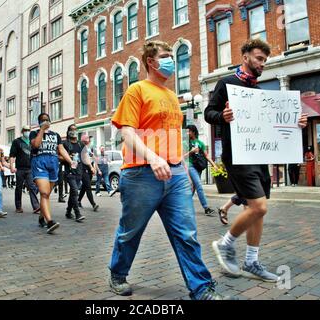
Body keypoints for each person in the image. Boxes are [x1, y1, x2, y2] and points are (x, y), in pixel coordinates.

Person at [108, 40, 231, 300]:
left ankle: (201, 289)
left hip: (175, 174)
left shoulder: (173, 96)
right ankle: (117, 273)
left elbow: (174, 137)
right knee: (130, 232)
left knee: (186, 233)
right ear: (151, 62)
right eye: (165, 56)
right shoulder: (137, 90)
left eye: (171, 56)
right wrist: (153, 158)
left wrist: (181, 166)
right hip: (141, 174)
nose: (170, 61)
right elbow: (127, 133)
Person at [205, 39, 308, 282]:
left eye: (265, 60)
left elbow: (272, 126)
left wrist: (296, 124)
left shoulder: (259, 92)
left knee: (256, 212)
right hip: (238, 156)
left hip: (259, 156)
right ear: (246, 57)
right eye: (259, 59)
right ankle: (225, 243)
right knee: (260, 206)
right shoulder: (227, 83)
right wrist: (223, 115)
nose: (263, 64)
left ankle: (251, 261)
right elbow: (209, 113)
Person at [30, 113, 75, 234]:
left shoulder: (56, 135)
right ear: (39, 123)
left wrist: (70, 161)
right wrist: (41, 130)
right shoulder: (34, 133)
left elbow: (61, 149)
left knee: (47, 195)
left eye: (47, 120)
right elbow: (36, 145)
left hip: (53, 164)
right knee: (44, 193)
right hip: (39, 162)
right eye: (43, 120)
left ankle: (41, 217)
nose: (45, 122)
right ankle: (50, 222)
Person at [183, 125, 216, 216]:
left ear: (193, 132)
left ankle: (184, 207)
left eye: (188, 131)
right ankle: (206, 208)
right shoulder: (185, 143)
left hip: (199, 167)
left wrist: (214, 165)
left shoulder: (200, 143)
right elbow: (182, 157)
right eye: (186, 131)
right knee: (199, 185)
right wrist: (191, 152)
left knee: (192, 188)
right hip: (190, 166)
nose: (187, 133)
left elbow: (206, 156)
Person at [9, 125, 40, 214]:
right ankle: (18, 207)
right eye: (26, 130)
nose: (27, 131)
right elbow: (12, 155)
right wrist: (11, 166)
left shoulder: (32, 142)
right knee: (18, 187)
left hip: (30, 168)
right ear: (22, 131)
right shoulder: (16, 142)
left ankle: (36, 207)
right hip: (20, 168)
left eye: (29, 130)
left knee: (32, 187)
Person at [62, 124, 86, 222]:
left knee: (73, 192)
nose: (74, 131)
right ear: (68, 132)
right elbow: (59, 156)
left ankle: (68, 212)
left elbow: (84, 157)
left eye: (75, 129)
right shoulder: (65, 144)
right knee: (75, 191)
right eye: (72, 130)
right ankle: (77, 214)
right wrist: (68, 158)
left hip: (79, 172)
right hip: (69, 172)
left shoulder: (81, 144)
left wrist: (91, 167)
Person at [77, 134, 99, 211]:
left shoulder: (89, 148)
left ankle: (78, 200)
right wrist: (91, 167)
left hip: (89, 170)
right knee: (88, 187)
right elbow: (85, 158)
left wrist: (94, 168)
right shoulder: (82, 147)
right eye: (87, 139)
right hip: (83, 169)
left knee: (84, 187)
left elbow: (93, 158)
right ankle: (93, 204)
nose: (89, 140)